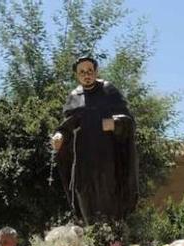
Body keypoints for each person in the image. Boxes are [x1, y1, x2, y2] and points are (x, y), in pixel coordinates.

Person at [51, 56, 139, 222]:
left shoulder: (108, 90)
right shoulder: (74, 96)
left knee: (108, 198)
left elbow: (129, 121)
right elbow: (68, 125)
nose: (86, 75)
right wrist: (60, 135)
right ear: (77, 75)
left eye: (89, 71)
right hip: (83, 160)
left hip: (106, 158)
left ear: (96, 72)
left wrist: (115, 123)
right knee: (83, 195)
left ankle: (112, 241)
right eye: (82, 72)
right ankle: (90, 237)